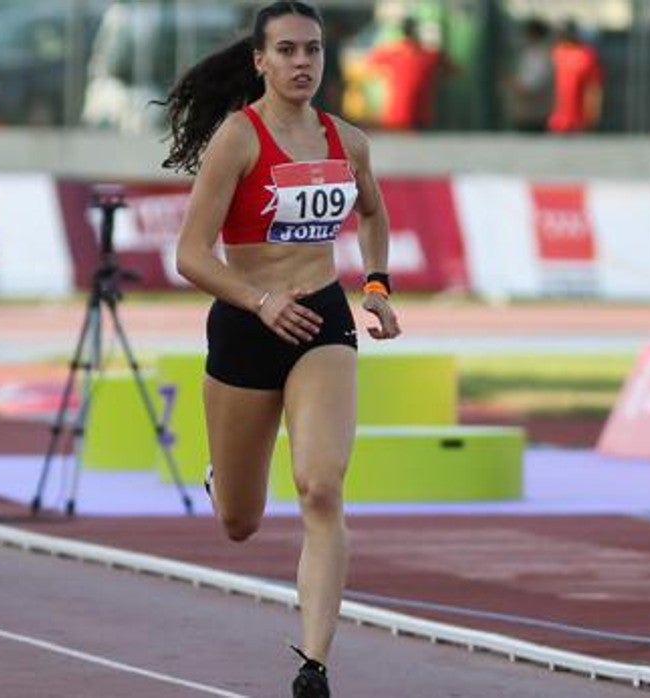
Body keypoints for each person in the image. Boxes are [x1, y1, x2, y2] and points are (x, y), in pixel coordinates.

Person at [159, 2, 401, 696]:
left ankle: (314, 665)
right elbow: (191, 255)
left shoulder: (346, 141)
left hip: (321, 319)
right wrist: (259, 300)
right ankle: (222, 479)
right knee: (240, 521)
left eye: (314, 52)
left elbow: (374, 212)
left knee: (321, 488)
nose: (303, 64)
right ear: (260, 61)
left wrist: (376, 285)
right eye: (288, 51)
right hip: (247, 323)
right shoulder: (238, 138)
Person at [364, 16, 443, 130]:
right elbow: (453, 70)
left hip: (397, 115)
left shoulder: (392, 52)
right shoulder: (430, 55)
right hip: (420, 115)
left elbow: (369, 63)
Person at [547, 20, 604, 133]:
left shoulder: (585, 56)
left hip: (577, 122)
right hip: (556, 121)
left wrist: (592, 114)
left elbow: (593, 89)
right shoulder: (556, 53)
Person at [507, 16, 554, 133]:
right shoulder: (529, 54)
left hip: (534, 117)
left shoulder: (541, 56)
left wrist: (512, 84)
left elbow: (531, 87)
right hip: (525, 114)